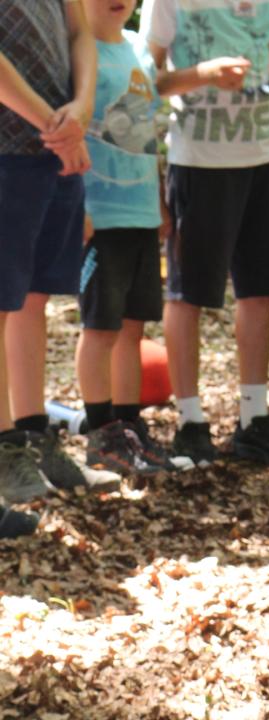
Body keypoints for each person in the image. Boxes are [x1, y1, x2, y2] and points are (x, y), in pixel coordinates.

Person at [141, 0, 269, 466]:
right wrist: (205, 74)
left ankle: (254, 420)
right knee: (187, 293)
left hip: (265, 152)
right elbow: (147, 80)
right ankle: (190, 421)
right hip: (199, 160)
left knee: (260, 290)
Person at [0, 0, 119, 532]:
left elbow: (80, 33)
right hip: (15, 147)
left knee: (32, 299)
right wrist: (57, 124)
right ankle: (5, 449)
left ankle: (31, 432)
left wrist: (83, 108)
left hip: (56, 148)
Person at [73, 0, 185, 475]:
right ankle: (101, 434)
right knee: (101, 327)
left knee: (133, 328)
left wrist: (159, 203)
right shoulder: (77, 52)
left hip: (140, 212)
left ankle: (129, 426)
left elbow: (142, 132)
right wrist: (76, 208)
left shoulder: (140, 48)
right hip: (100, 214)